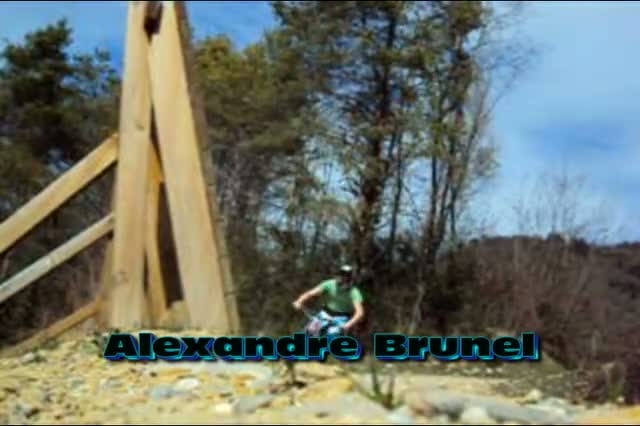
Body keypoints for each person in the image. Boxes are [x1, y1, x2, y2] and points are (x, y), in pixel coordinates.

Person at [292, 265, 365, 335]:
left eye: (345, 275)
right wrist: (299, 301)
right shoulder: (329, 284)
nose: (341, 277)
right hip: (324, 314)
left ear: (349, 278)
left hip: (341, 319)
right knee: (309, 331)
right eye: (341, 274)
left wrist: (348, 325)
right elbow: (311, 293)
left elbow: (360, 313)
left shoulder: (354, 292)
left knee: (334, 336)